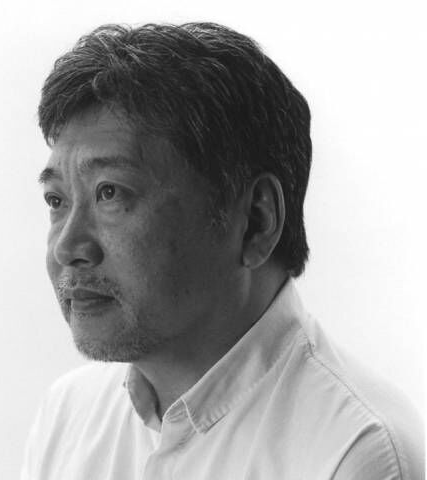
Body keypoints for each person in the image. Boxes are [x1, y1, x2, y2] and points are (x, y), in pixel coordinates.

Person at [21, 22, 424, 479]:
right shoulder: (68, 414)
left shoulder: (354, 452)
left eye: (110, 193)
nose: (68, 248)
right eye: (56, 201)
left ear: (255, 221)